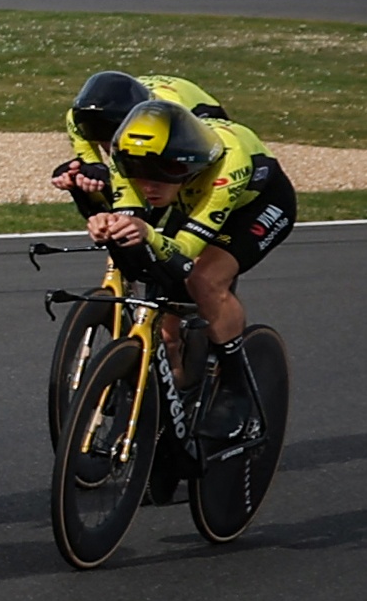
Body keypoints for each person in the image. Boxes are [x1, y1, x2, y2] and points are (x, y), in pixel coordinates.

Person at [93, 100, 295, 440]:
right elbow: (132, 223)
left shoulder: (225, 168)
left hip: (256, 207)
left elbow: (185, 252)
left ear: (187, 164)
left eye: (162, 173)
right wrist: (104, 223)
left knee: (204, 279)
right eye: (137, 171)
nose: (148, 185)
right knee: (166, 324)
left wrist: (147, 233)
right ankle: (179, 389)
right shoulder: (127, 159)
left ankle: (235, 388)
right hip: (194, 201)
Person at [54, 70, 231, 220]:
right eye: (97, 135)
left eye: (113, 134)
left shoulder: (167, 116)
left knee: (175, 180)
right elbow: (95, 166)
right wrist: (90, 173)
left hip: (195, 113)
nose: (108, 145)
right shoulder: (80, 117)